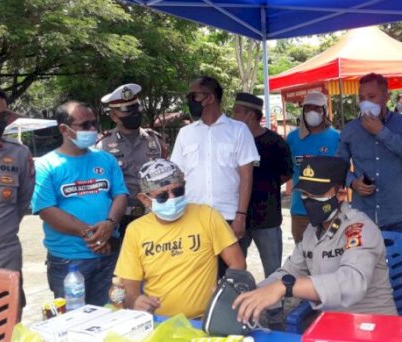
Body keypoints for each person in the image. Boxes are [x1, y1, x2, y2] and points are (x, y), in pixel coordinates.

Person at [233, 156, 397, 325]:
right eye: (305, 194)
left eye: (316, 194)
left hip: (375, 326)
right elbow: (291, 270)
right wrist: (250, 293)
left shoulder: (359, 228)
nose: (308, 200)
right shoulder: (313, 230)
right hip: (334, 326)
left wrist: (286, 287)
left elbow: (351, 282)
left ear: (340, 193)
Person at [114, 159, 246, 318]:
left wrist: (226, 292)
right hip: (158, 320)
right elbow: (128, 282)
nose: (172, 198)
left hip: (205, 318)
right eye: (162, 196)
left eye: (178, 191)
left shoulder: (207, 216)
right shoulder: (136, 230)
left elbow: (238, 263)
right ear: (144, 199)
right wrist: (135, 300)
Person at [32, 101, 128, 305]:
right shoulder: (46, 165)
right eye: (85, 125)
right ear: (64, 129)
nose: (93, 130)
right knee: (74, 324)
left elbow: (120, 195)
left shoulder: (106, 159)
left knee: (111, 316)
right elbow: (46, 210)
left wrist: (110, 225)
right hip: (69, 262)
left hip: (109, 255)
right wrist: (94, 236)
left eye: (94, 123)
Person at [171, 76, 260, 241]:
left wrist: (240, 215)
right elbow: (177, 177)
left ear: (210, 97)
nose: (190, 101)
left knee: (231, 266)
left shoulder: (239, 131)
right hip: (192, 215)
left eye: (193, 97)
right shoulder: (185, 133)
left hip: (228, 215)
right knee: (197, 267)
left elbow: (246, 176)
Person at [338, 73, 402, 236]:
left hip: (400, 217)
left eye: (371, 96)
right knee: (362, 262)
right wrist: (352, 183)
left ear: (386, 96)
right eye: (362, 98)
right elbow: (338, 165)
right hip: (362, 216)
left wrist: (382, 132)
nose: (366, 103)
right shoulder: (350, 130)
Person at [231, 92, 293, 277]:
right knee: (234, 270)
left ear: (251, 115)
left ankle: (274, 305)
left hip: (267, 218)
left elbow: (285, 174)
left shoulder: (275, 142)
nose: (232, 117)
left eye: (237, 112)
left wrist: (264, 188)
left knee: (273, 271)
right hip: (235, 217)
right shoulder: (230, 141)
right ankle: (236, 304)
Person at [96, 83, 167, 238]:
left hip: (155, 215)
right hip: (121, 219)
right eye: (127, 110)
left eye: (135, 108)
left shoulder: (156, 141)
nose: (134, 114)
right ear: (114, 116)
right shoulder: (103, 145)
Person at [0, 84, 34, 316]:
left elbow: (21, 204)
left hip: (3, 256)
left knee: (6, 325)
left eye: (1, 116)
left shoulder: (18, 154)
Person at [286, 92, 340, 243]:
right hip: (300, 210)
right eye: (307, 108)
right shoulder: (292, 138)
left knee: (330, 255)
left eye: (316, 108)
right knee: (303, 258)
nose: (312, 112)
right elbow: (286, 169)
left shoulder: (337, 138)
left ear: (324, 111)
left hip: (328, 210)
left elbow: (343, 172)